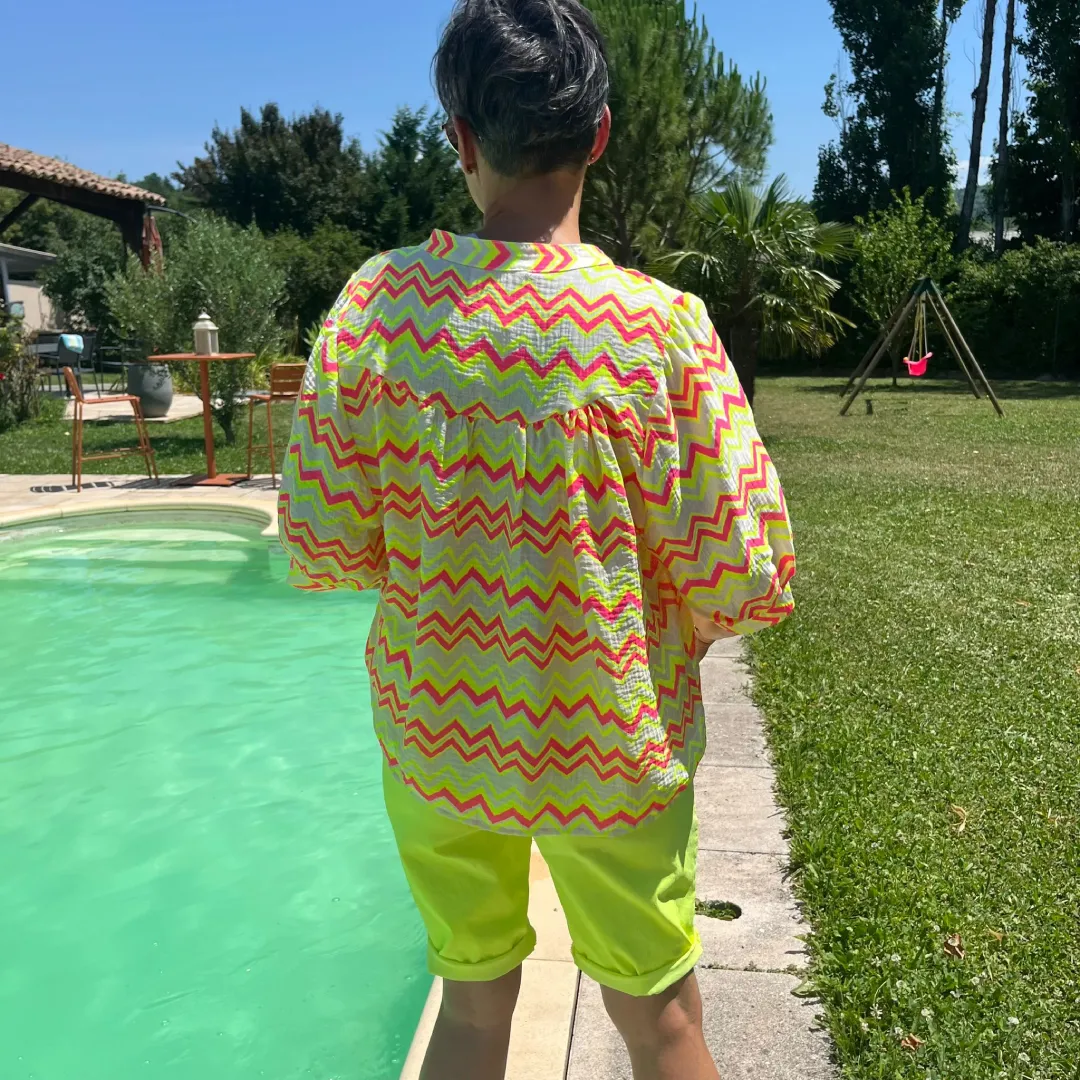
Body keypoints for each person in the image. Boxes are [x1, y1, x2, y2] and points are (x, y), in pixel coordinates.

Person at [278, 1, 795, 1077]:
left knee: (470, 1011)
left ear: (460, 139)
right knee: (661, 1019)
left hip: (436, 733)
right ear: (599, 134)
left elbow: (324, 539)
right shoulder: (658, 330)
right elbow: (743, 568)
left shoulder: (378, 310)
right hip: (611, 739)